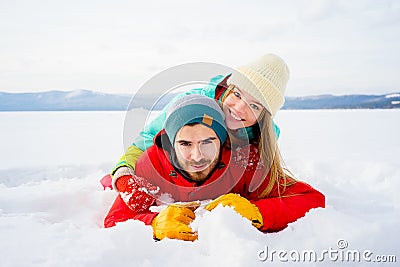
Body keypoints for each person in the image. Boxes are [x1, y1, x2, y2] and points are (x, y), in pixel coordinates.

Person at [103, 95, 325, 241]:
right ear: (171, 143)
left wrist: (256, 211)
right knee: (108, 184)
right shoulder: (152, 163)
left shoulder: (244, 162)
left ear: (223, 140)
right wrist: (153, 223)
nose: (197, 156)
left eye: (208, 142)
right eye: (185, 144)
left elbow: (312, 199)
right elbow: (113, 220)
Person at [109, 54, 290, 195]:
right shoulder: (192, 104)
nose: (240, 108)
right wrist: (124, 171)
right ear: (229, 88)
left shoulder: (265, 135)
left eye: (254, 106)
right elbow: (150, 137)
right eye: (237, 94)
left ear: (264, 117)